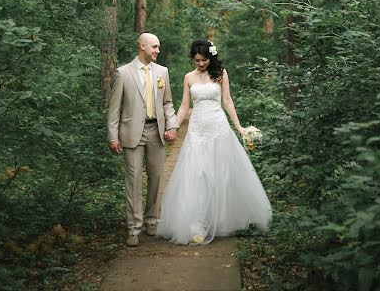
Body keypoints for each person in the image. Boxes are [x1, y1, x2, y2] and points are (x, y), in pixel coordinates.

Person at [157, 38, 272, 245]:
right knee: (198, 175)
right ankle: (197, 224)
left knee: (221, 175)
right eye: (197, 60)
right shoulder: (188, 77)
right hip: (197, 130)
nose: (200, 64)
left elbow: (227, 101)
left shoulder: (220, 74)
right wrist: (173, 126)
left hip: (218, 128)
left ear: (211, 57)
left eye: (204, 60)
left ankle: (221, 220)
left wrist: (239, 127)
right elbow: (184, 106)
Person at [107, 32, 179, 247]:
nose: (158, 50)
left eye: (158, 47)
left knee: (156, 179)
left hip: (156, 132)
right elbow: (114, 109)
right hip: (131, 134)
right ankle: (133, 228)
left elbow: (167, 103)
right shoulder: (123, 73)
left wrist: (173, 125)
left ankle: (151, 221)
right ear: (142, 46)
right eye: (155, 47)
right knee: (134, 180)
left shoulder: (162, 72)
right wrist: (112, 136)